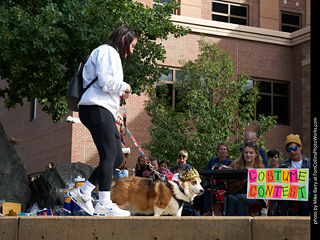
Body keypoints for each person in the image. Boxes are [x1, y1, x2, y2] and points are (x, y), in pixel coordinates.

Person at [68, 25, 138, 217]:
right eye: (132, 46)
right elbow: (106, 82)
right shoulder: (107, 51)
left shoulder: (110, 54)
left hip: (101, 108)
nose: (131, 51)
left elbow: (105, 88)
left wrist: (115, 112)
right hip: (95, 108)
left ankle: (84, 191)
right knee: (108, 154)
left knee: (116, 157)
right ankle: (104, 203)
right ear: (124, 39)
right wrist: (127, 87)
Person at [221, 142, 265, 216]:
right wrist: (221, 169)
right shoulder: (235, 165)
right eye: (246, 153)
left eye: (251, 153)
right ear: (243, 154)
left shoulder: (261, 169)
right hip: (236, 195)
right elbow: (223, 179)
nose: (248, 155)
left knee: (242, 198)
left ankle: (242, 225)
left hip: (253, 198)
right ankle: (229, 224)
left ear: (256, 154)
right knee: (229, 198)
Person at [278, 134, 310, 216]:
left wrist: (300, 178)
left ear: (300, 147)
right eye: (289, 150)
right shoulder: (283, 165)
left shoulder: (309, 162)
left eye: (294, 148)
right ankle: (288, 221)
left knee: (305, 196)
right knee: (283, 198)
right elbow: (277, 182)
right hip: (288, 192)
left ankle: (304, 221)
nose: (292, 152)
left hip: (305, 192)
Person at [203, 142, 232, 215]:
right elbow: (206, 171)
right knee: (206, 190)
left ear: (227, 152)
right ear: (217, 151)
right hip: (211, 184)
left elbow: (232, 170)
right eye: (221, 149)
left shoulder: (229, 162)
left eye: (224, 149)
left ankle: (220, 213)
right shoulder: (212, 161)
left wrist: (224, 168)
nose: (223, 151)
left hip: (223, 185)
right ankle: (207, 212)